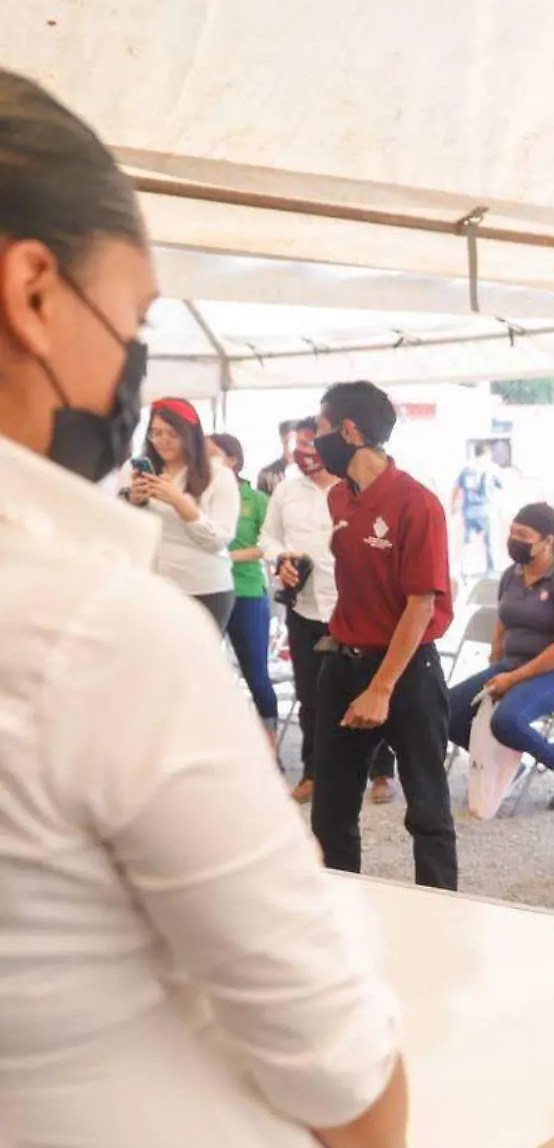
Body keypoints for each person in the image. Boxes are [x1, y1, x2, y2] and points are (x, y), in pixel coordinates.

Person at [0, 64, 406, 1148]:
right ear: (33, 291)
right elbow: (343, 1073)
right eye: (127, 315)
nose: (132, 367)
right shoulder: (89, 633)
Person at [310, 379, 457, 890]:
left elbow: (422, 604)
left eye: (321, 429)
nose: (314, 440)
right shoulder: (337, 500)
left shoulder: (417, 504)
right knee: (330, 813)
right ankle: (338, 917)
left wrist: (381, 687)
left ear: (350, 431)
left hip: (407, 670)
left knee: (428, 813)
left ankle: (440, 928)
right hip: (343, 663)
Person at [261, 417, 395, 804]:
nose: (305, 451)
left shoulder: (353, 487)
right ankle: (313, 772)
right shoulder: (286, 490)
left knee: (366, 690)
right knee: (310, 694)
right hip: (305, 606)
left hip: (351, 607)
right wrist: (280, 557)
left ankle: (382, 771)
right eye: (298, 444)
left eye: (311, 442)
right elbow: (267, 537)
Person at [446, 503, 554, 810]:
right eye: (513, 532)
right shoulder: (511, 576)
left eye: (524, 534)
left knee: (508, 719)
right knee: (445, 710)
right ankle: (512, 761)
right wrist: (495, 668)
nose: (515, 539)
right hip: (512, 665)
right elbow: (502, 629)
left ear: (548, 541)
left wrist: (511, 679)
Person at [123, 397, 240, 626]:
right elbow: (122, 529)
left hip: (204, 588)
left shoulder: (219, 476)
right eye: (156, 433)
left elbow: (219, 540)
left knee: (198, 660)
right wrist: (133, 501)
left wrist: (180, 503)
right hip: (151, 585)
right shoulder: (136, 470)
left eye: (172, 434)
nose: (163, 441)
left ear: (190, 436)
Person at [207, 431, 279, 734]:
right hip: (208, 590)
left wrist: (228, 557)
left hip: (247, 593)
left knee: (256, 674)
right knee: (204, 673)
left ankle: (269, 743)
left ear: (232, 459)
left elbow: (269, 544)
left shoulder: (257, 500)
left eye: (212, 454)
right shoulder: (196, 494)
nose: (204, 460)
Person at [451, 441, 503, 577]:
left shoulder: (467, 468)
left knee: (469, 541)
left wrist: (454, 504)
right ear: (487, 453)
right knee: (490, 541)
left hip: (469, 510)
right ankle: (491, 569)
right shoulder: (492, 467)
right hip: (486, 509)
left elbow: (456, 487)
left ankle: (466, 570)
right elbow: (501, 485)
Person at [255, 417, 298, 496]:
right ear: (282, 439)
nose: (291, 447)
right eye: (288, 442)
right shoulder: (267, 474)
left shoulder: (311, 472)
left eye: (295, 442)